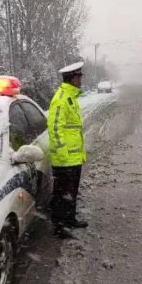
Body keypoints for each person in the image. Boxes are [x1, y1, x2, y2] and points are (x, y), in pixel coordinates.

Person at [47, 61, 88, 238]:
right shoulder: (61, 99)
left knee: (71, 192)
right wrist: (62, 154)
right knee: (62, 194)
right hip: (65, 159)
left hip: (73, 158)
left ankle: (69, 220)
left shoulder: (71, 97)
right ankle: (60, 227)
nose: (81, 80)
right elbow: (55, 128)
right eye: (78, 77)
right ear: (72, 79)